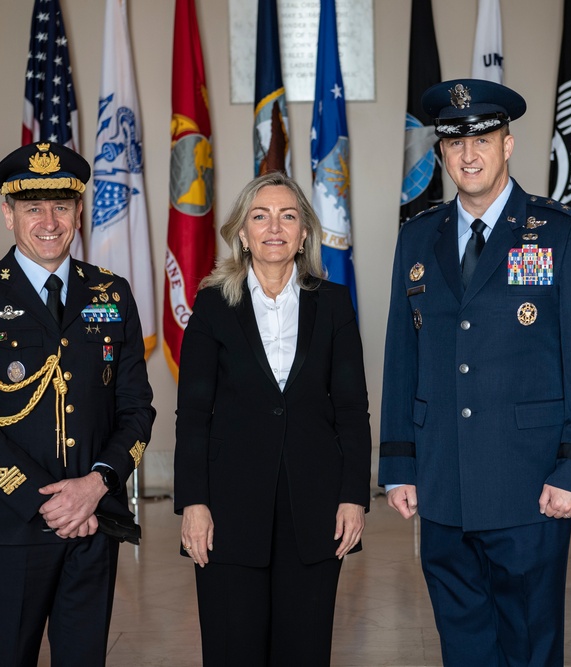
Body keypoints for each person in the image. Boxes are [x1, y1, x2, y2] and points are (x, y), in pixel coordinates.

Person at [379, 78, 571, 666]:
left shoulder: (561, 232)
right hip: (442, 482)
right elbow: (401, 358)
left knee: (531, 645)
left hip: (530, 484)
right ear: (440, 153)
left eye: (483, 138)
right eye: (455, 143)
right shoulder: (416, 237)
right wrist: (399, 464)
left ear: (508, 145)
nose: (469, 154)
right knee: (463, 645)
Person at [0, 141, 155, 666]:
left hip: (94, 521)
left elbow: (137, 409)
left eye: (62, 206)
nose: (49, 221)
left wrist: (95, 486)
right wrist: (48, 500)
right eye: (33, 207)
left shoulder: (112, 293)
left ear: (80, 212)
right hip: (13, 526)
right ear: (7, 213)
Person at [173, 171, 372, 666]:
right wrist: (193, 503)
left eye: (288, 216)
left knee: (303, 650)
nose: (274, 227)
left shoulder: (333, 303)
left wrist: (353, 497)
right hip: (228, 509)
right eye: (260, 216)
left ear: (305, 232)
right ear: (243, 233)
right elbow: (193, 413)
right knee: (231, 649)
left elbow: (352, 409)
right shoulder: (213, 304)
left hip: (315, 509)